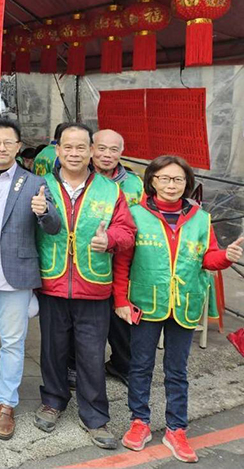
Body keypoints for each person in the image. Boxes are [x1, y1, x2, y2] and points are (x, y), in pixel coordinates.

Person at [114, 155, 241, 463]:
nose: (171, 185)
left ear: (187, 184)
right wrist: (120, 301)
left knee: (177, 369)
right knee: (140, 366)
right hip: (146, 302)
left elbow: (207, 258)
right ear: (152, 181)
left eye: (178, 179)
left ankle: (176, 428)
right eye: (164, 178)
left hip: (185, 302)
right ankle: (139, 422)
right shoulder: (136, 214)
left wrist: (226, 257)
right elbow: (122, 261)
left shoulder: (201, 218)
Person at [33, 123, 136, 450]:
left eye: (81, 147)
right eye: (68, 147)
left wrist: (110, 240)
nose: (74, 153)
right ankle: (53, 400)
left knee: (91, 355)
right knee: (52, 349)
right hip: (52, 281)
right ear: (58, 150)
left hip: (93, 285)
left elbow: (128, 232)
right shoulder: (41, 185)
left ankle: (95, 416)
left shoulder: (110, 191)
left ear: (91, 151)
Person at [0, 117, 61, 440]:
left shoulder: (35, 183)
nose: (1, 148)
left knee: (13, 342)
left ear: (19, 147)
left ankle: (6, 403)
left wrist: (44, 211)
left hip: (15, 276)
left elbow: (54, 227)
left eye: (8, 142)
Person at [88, 128, 145, 386]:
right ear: (92, 149)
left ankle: (122, 364)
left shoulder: (135, 183)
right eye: (101, 148)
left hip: (124, 258)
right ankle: (80, 367)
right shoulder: (81, 176)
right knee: (88, 320)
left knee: (121, 316)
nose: (107, 155)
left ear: (121, 152)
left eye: (114, 150)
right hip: (89, 259)